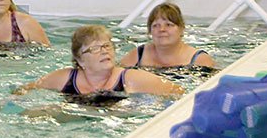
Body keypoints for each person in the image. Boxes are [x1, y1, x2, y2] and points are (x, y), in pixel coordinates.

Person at [19, 26, 182, 99]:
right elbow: (26, 90)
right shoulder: (65, 78)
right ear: (80, 59)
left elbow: (178, 92)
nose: (104, 51)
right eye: (95, 49)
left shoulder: (130, 78)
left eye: (106, 46)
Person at [118, 2, 218, 69]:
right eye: (156, 25)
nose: (162, 30)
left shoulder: (199, 60)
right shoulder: (138, 55)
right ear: (150, 31)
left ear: (181, 29)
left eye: (169, 25)